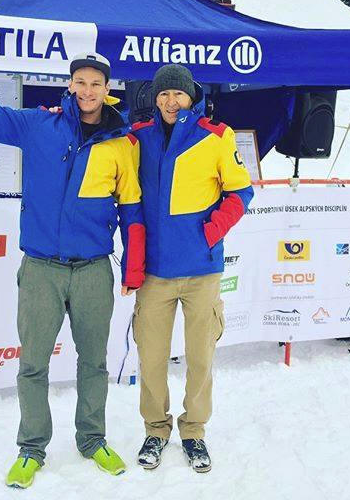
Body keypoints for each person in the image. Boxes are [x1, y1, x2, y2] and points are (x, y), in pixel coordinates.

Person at [0, 43, 145, 488]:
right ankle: (31, 448)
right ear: (70, 84)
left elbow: (132, 209)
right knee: (32, 365)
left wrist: (133, 267)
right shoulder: (40, 125)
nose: (88, 90)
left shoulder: (122, 143)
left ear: (108, 89)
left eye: (96, 84)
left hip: (92, 269)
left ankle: (93, 439)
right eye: (80, 82)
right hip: (42, 269)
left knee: (94, 363)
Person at [130, 64, 253, 473]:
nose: (170, 101)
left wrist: (209, 233)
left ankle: (194, 431)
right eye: (164, 94)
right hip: (155, 272)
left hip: (202, 270)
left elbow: (241, 192)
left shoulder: (216, 136)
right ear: (155, 98)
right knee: (151, 358)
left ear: (190, 97)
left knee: (200, 358)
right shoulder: (138, 136)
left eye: (177, 94)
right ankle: (155, 428)